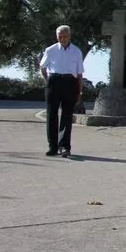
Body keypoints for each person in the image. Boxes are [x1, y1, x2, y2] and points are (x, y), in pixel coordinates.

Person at [39, 26, 85, 157]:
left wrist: (80, 92)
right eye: (60, 36)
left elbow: (79, 74)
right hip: (54, 81)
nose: (63, 39)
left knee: (67, 115)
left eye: (65, 36)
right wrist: (48, 81)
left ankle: (64, 146)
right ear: (57, 36)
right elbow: (42, 68)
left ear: (70, 36)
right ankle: (52, 147)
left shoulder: (76, 51)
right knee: (51, 115)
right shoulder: (50, 50)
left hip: (70, 83)